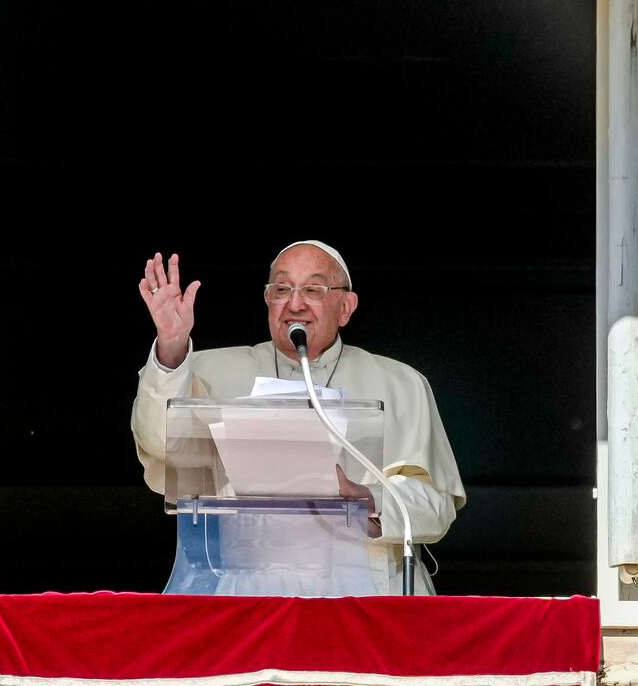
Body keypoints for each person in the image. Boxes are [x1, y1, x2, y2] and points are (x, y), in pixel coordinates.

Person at [131, 240, 464, 595]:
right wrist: (171, 345)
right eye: (281, 288)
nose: (295, 303)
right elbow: (161, 444)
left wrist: (372, 500)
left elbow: (437, 508)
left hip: (366, 588)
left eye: (313, 289)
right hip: (245, 588)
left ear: (346, 307)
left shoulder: (401, 383)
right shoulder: (206, 370)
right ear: (267, 300)